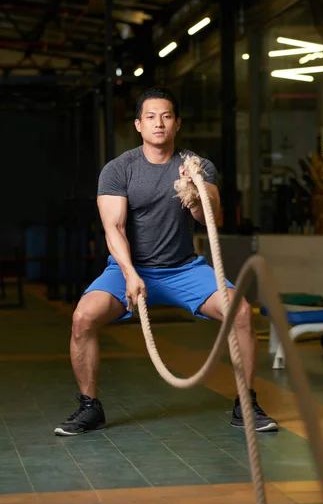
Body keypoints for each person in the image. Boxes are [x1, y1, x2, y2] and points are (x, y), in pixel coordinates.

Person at [54, 87, 278, 436]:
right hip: (129, 268)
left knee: (242, 313)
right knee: (83, 318)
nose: (159, 123)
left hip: (184, 269)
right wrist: (129, 274)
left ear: (177, 124)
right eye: (151, 117)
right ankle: (89, 407)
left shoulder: (196, 166)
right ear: (138, 125)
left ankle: (245, 402)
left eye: (167, 116)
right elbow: (113, 229)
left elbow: (211, 219)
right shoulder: (119, 169)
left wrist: (193, 192)